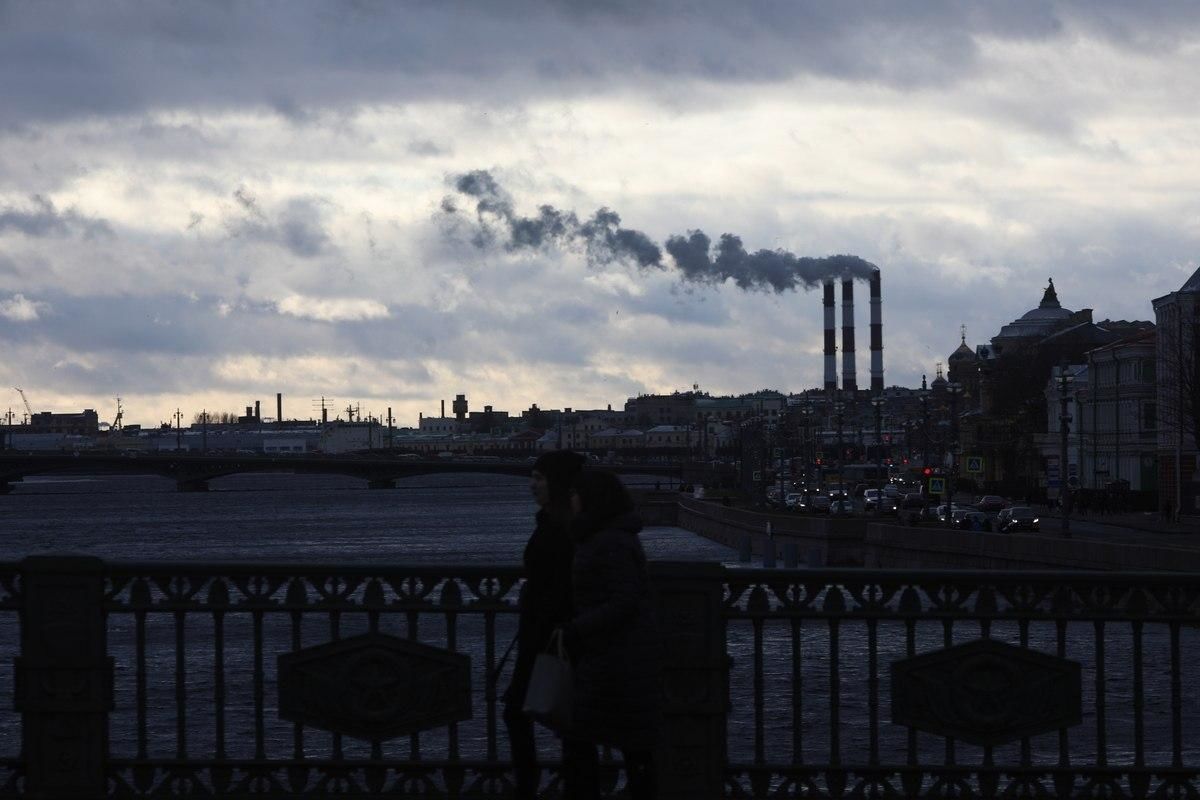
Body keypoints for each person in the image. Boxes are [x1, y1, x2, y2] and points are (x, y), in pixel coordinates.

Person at [561, 470, 662, 800]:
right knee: (625, 742)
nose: (571, 500)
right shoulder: (608, 536)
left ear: (592, 500)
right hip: (612, 656)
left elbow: (625, 598)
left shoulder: (610, 540)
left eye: (576, 494)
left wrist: (579, 627)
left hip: (615, 659)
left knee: (591, 737)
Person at [504, 449, 586, 800]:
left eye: (538, 478)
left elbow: (559, 584)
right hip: (548, 634)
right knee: (568, 721)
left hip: (550, 635)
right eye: (532, 477)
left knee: (521, 711)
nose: (531, 485)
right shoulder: (559, 523)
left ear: (557, 482)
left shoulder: (560, 528)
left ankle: (531, 784)